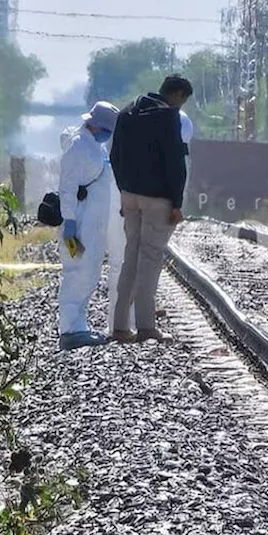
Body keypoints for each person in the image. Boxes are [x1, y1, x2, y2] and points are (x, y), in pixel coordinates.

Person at [108, 74, 191, 342]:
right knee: (150, 259)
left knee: (131, 255)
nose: (181, 105)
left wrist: (123, 192)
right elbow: (176, 165)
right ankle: (146, 326)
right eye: (183, 99)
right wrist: (177, 203)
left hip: (130, 195)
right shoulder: (168, 118)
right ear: (176, 94)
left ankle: (120, 325)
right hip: (158, 200)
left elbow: (115, 156)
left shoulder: (127, 112)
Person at [56, 101, 118, 351]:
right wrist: (69, 219)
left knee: (89, 272)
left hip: (91, 221)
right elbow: (67, 186)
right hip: (80, 222)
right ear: (97, 125)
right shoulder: (79, 145)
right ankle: (71, 329)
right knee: (79, 273)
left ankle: (78, 324)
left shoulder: (93, 144)